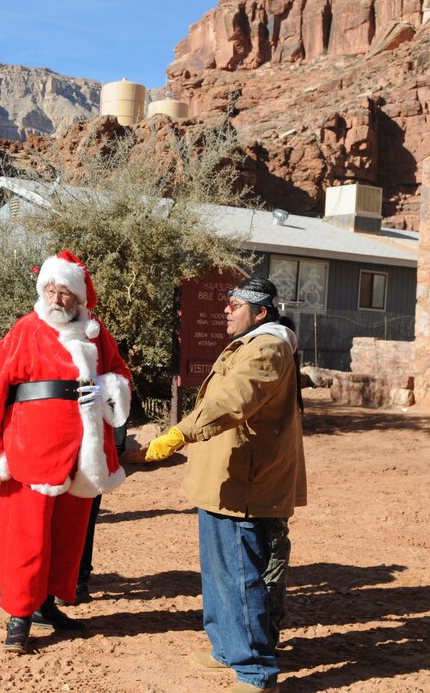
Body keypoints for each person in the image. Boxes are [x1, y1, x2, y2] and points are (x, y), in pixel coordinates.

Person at [146, 277, 306, 693]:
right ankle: (226, 650)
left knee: (240, 576)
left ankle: (255, 672)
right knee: (220, 574)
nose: (226, 311)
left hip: (244, 486)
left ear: (261, 312)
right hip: (223, 481)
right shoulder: (252, 344)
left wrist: (180, 432)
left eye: (235, 305)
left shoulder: (267, 348)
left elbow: (232, 401)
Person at [0, 250, 131, 654]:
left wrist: (110, 388)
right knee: (26, 536)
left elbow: (120, 372)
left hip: (83, 449)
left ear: (79, 299)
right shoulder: (24, 329)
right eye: (52, 290)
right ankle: (19, 615)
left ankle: (46, 604)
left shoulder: (97, 331)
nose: (58, 299)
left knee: (67, 535)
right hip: (31, 450)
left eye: (65, 293)